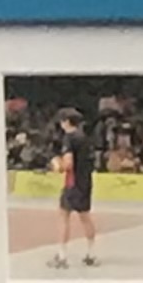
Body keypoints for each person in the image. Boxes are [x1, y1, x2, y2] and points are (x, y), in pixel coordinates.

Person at [49, 108, 99, 270]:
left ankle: (62, 256)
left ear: (66, 122)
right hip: (86, 181)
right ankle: (91, 254)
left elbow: (68, 164)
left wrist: (57, 165)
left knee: (63, 215)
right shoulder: (85, 138)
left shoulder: (69, 139)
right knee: (85, 217)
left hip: (73, 182)